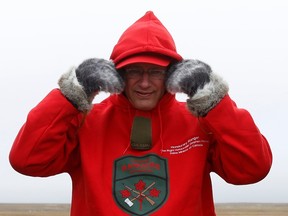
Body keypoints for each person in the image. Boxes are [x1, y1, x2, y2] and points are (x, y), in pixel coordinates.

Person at [9, 11, 272, 216]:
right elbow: (27, 160)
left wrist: (214, 100)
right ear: (118, 74)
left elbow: (252, 169)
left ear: (171, 75)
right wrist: (72, 94)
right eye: (134, 71)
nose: (144, 83)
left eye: (155, 72)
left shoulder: (201, 123)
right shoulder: (85, 123)